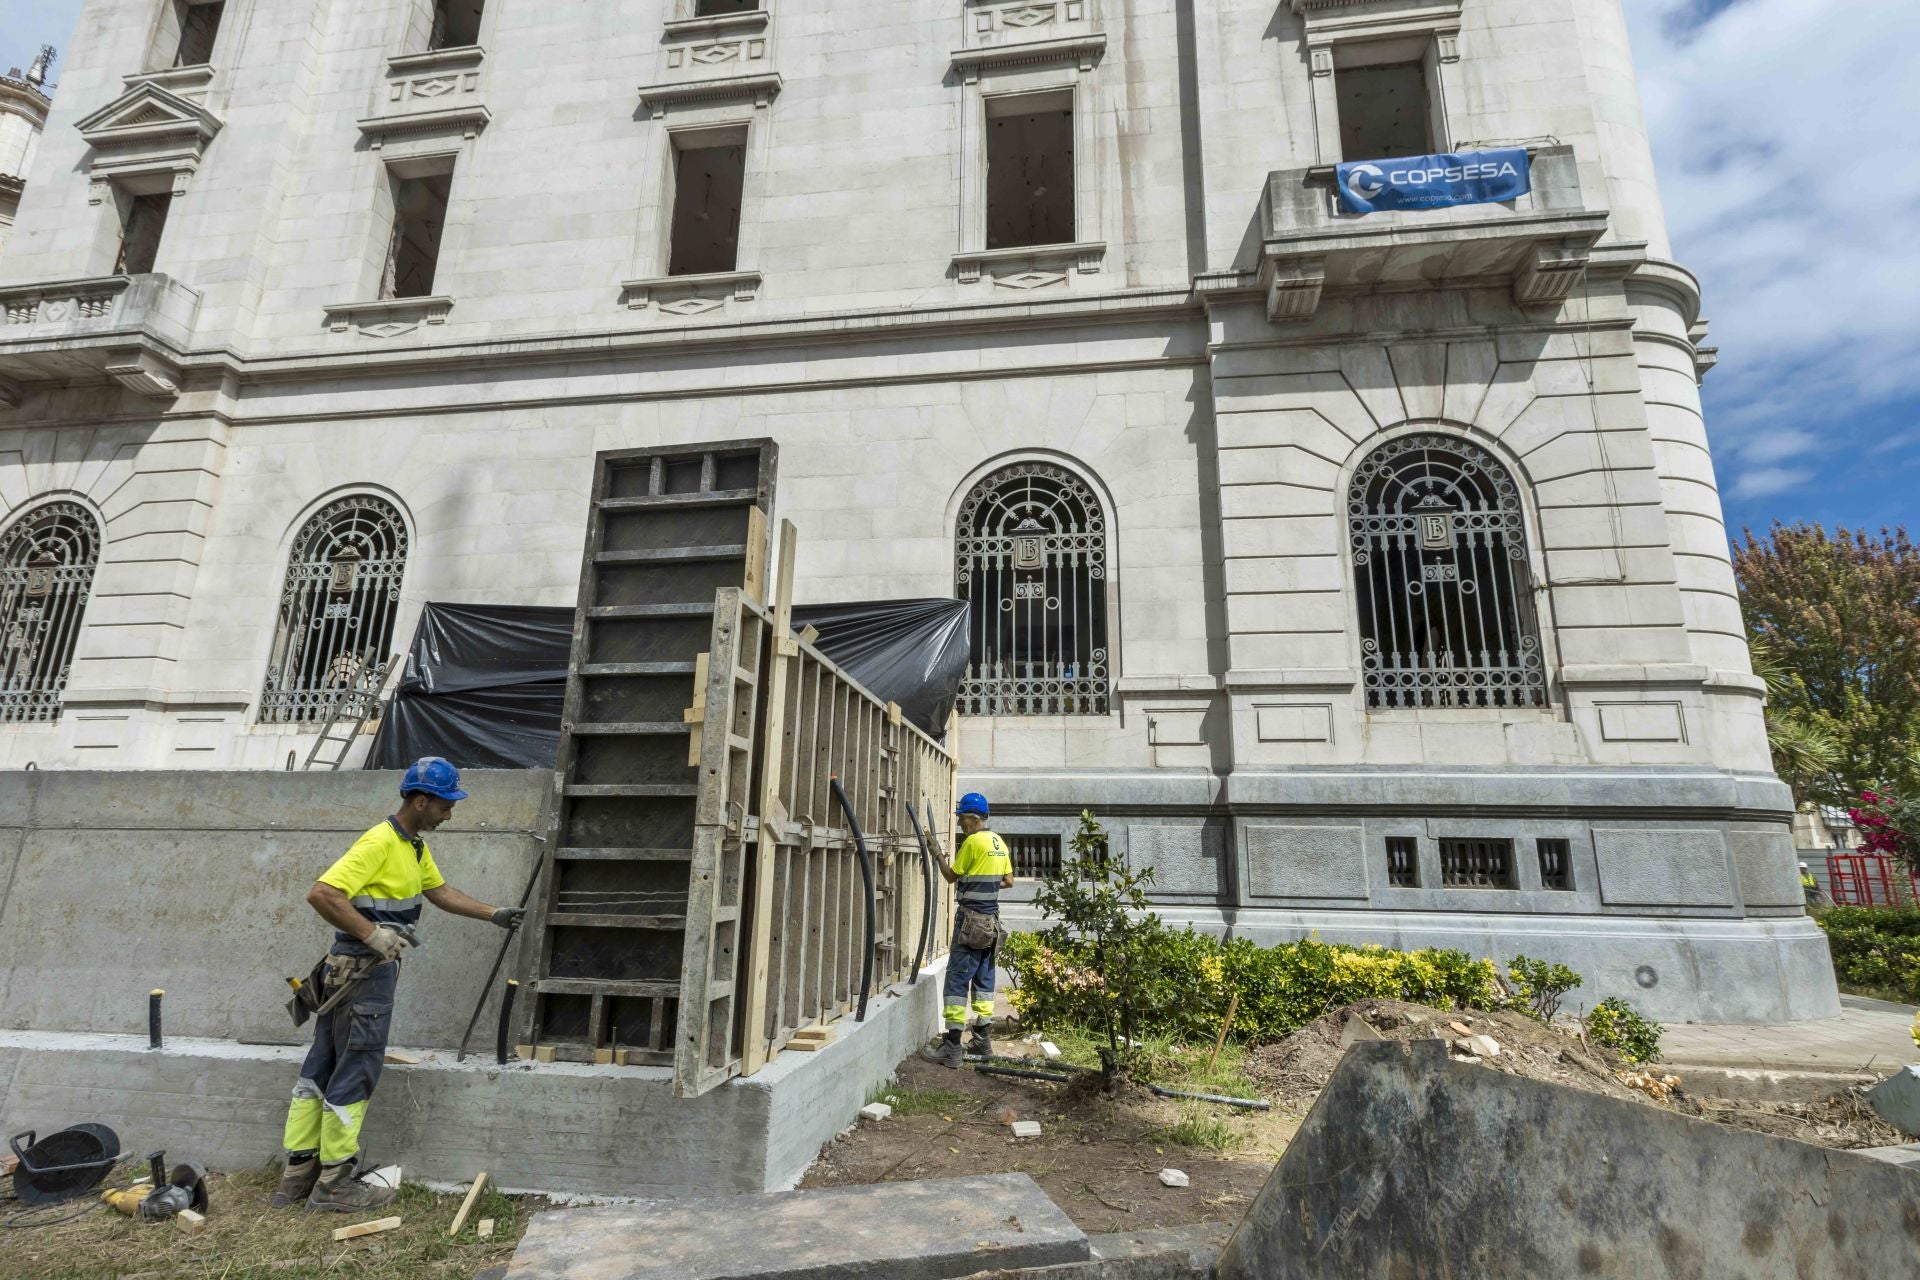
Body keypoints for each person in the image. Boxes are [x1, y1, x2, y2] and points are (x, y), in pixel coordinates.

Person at [274, 758, 525, 1211]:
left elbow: (439, 891)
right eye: (446, 805)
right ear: (421, 800)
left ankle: (296, 1179)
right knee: (356, 1070)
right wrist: (373, 934)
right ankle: (333, 1187)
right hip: (362, 973)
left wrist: (494, 913)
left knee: (322, 1066)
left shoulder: (412, 847)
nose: (450, 814)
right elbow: (322, 893)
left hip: (348, 973)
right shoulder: (379, 841)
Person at [922, 791, 1014, 1069]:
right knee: (985, 982)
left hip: (970, 922)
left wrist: (936, 852)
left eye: (962, 818)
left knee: (957, 981)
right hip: (991, 924)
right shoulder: (999, 842)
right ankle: (982, 1042)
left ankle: (951, 1048)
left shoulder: (973, 843)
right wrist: (983, 887)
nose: (960, 823)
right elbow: (1009, 881)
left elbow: (951, 877)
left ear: (974, 819)